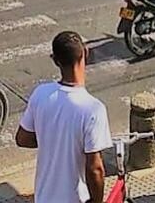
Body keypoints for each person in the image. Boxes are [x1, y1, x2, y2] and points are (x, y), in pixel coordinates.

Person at [16, 31, 113, 203]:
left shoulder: (40, 94)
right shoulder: (92, 109)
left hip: (43, 197)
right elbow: (95, 169)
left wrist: (51, 137)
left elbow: (22, 138)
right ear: (86, 53)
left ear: (55, 60)